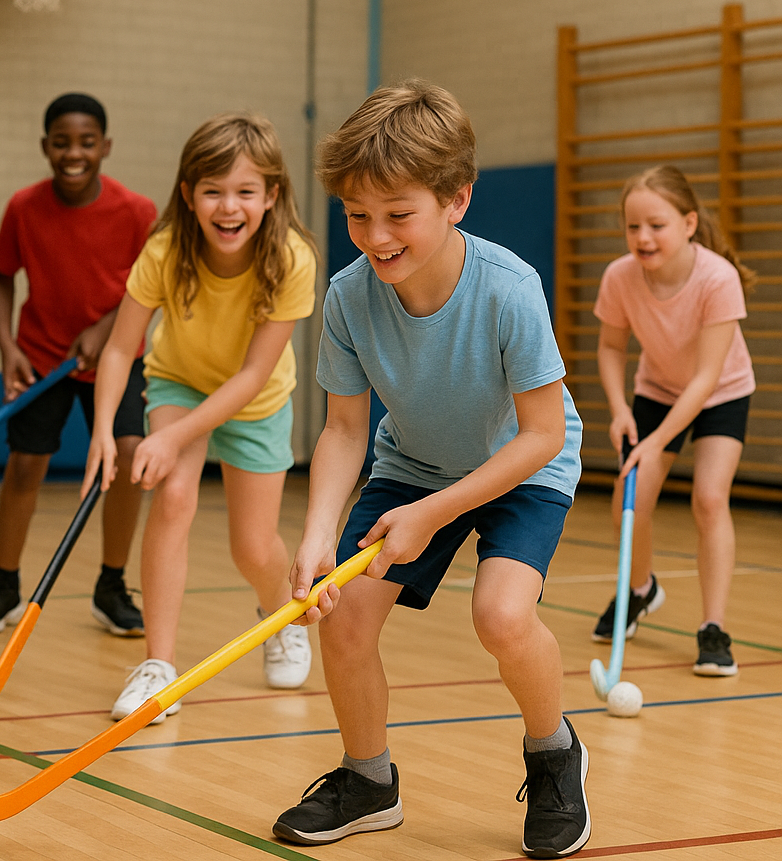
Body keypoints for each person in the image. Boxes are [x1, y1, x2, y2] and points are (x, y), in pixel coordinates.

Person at [273, 81, 588, 860]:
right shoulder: (348, 298)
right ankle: (368, 781)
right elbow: (344, 430)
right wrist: (316, 536)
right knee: (342, 615)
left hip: (522, 467)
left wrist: (436, 513)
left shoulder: (509, 289)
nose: (374, 236)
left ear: (456, 200)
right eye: (356, 215)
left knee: (502, 616)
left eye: (397, 214)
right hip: (412, 463)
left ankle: (554, 754)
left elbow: (542, 434)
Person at [83, 112, 318, 723]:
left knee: (253, 547)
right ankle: (159, 665)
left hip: (256, 399)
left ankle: (280, 617)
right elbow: (117, 348)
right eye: (212, 191)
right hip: (179, 383)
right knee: (175, 496)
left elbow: (250, 378)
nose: (228, 207)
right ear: (188, 195)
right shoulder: (166, 249)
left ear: (271, 196)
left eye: (245, 191)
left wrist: (175, 437)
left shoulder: (292, 259)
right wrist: (105, 431)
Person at [0, 93, 157, 637]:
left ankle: (112, 585)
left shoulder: (137, 211)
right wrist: (8, 346)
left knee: (127, 455)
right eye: (62, 142)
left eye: (87, 142)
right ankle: (3, 586)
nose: (74, 153)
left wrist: (106, 329)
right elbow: (1, 275)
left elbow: (153, 285)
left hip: (117, 358)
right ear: (46, 147)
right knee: (25, 465)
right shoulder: (24, 207)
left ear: (106, 147)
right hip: (44, 357)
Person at [592, 164, 756, 677]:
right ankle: (641, 591)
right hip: (658, 391)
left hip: (721, 392)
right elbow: (611, 346)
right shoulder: (620, 276)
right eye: (632, 226)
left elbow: (708, 378)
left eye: (656, 225)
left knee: (709, 499)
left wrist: (658, 440)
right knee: (630, 499)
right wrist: (620, 409)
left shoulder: (717, 278)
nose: (642, 237)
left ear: (688, 223)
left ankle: (713, 629)